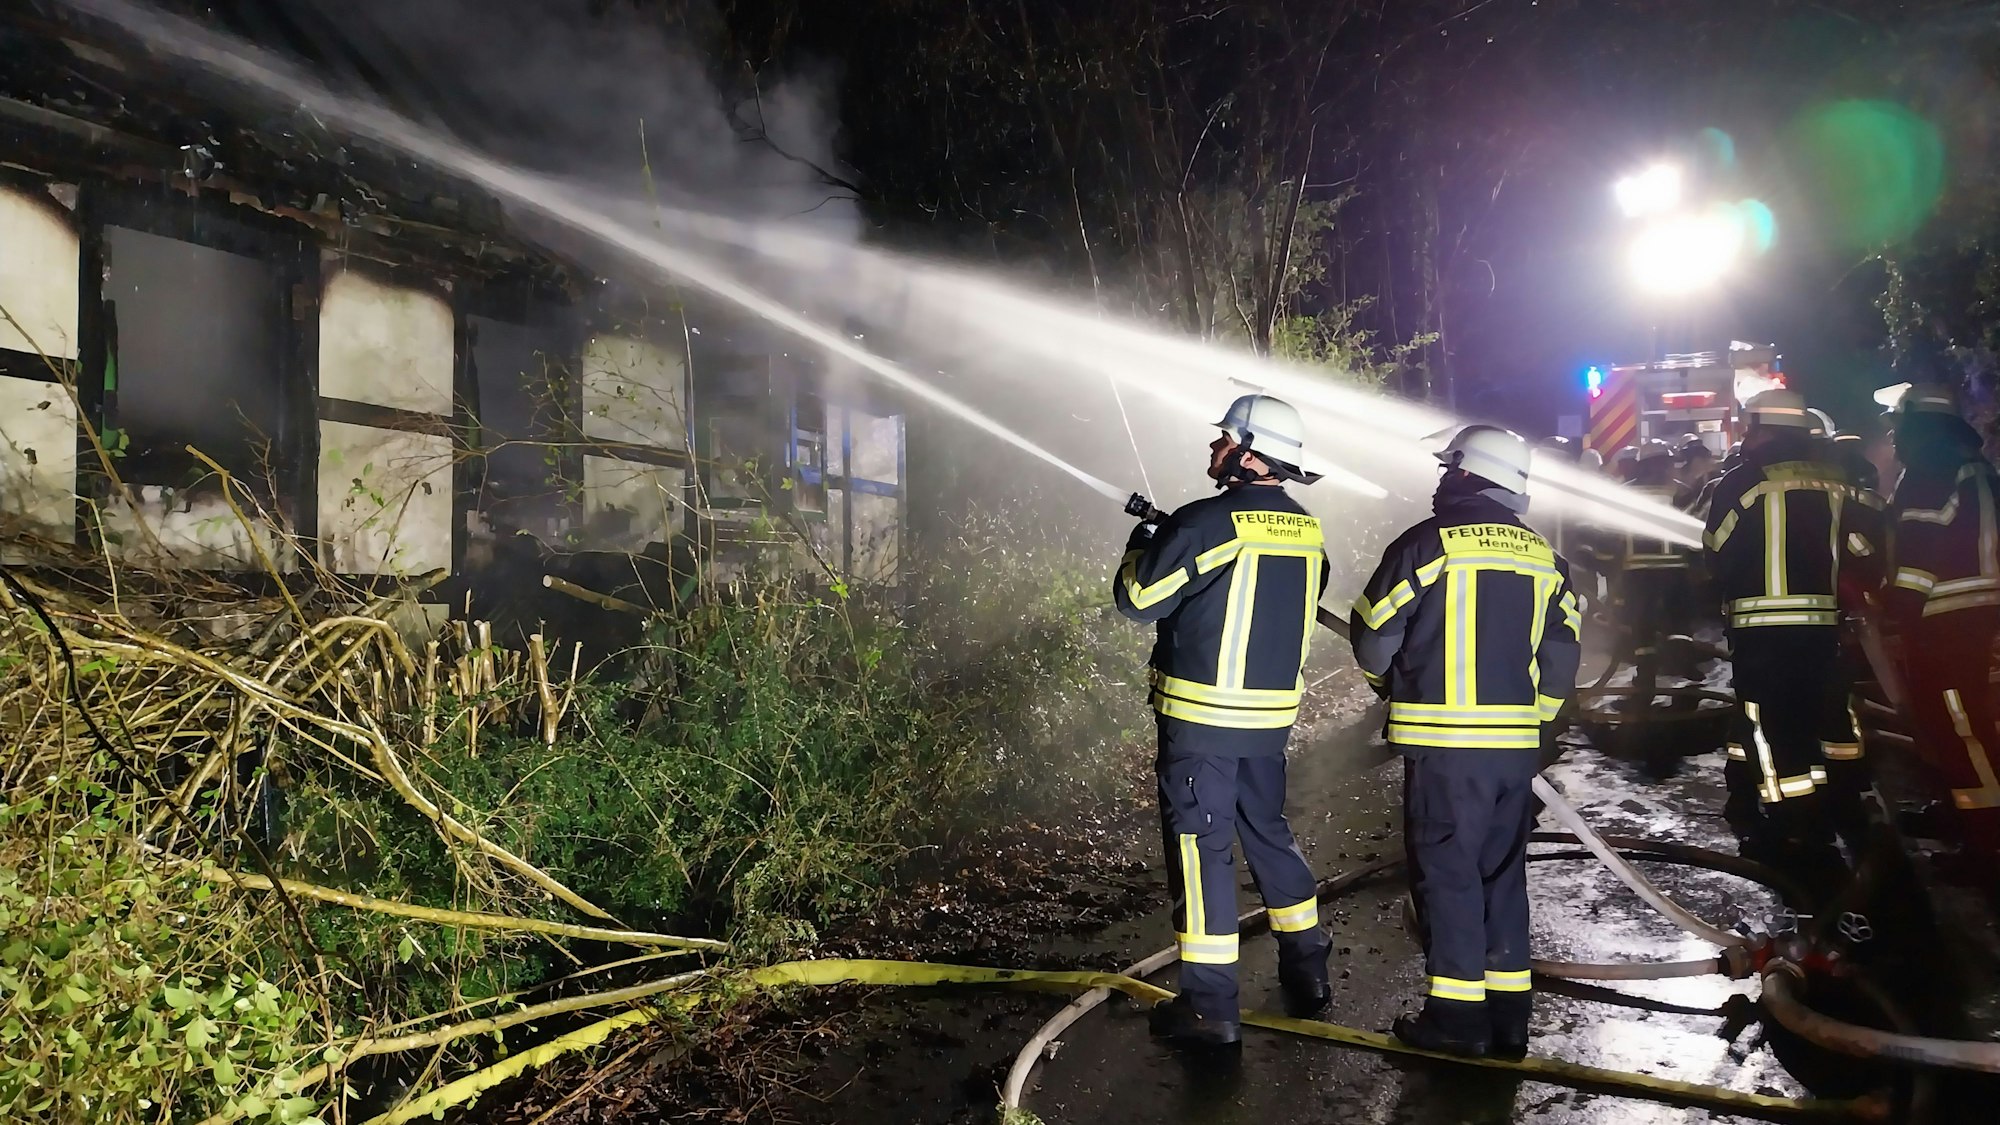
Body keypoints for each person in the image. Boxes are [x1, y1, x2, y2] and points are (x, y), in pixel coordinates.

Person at [1349, 425, 1582, 1059]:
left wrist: (1390, 687)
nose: (1440, 480)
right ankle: (1508, 1019)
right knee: (1501, 876)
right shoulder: (1544, 558)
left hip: (1446, 750)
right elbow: (1562, 657)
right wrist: (1538, 721)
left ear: (1469, 475)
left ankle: (1455, 1019)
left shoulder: (1427, 546)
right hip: (1515, 751)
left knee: (1447, 876)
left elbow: (1373, 636)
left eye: (1448, 469)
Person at [1114, 394, 1334, 1046]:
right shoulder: (1307, 528)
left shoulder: (1207, 521)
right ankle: (1308, 967)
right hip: (1268, 724)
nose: (1214, 448)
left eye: (1224, 439)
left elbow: (1139, 599)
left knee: (1201, 850)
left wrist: (1142, 544)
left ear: (1247, 450)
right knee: (1267, 832)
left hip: (1202, 723)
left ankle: (1209, 1007)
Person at [1703, 390, 1876, 872]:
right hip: (1822, 628)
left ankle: (1790, 826)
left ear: (1762, 427)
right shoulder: (1838, 482)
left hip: (1761, 630)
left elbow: (1715, 549)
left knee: (1767, 724)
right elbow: (1863, 549)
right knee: (1814, 715)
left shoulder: (1743, 480)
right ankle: (1828, 807)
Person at [1883, 383, 2000, 887]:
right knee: (1962, 728)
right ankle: (1961, 814)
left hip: (1949, 625)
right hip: (1976, 617)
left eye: (1897, 430)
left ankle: (1986, 845)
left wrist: (1894, 611)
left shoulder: (1930, 470)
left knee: (1963, 731)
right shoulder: (1973, 466)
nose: (1893, 441)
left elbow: (1917, 557)